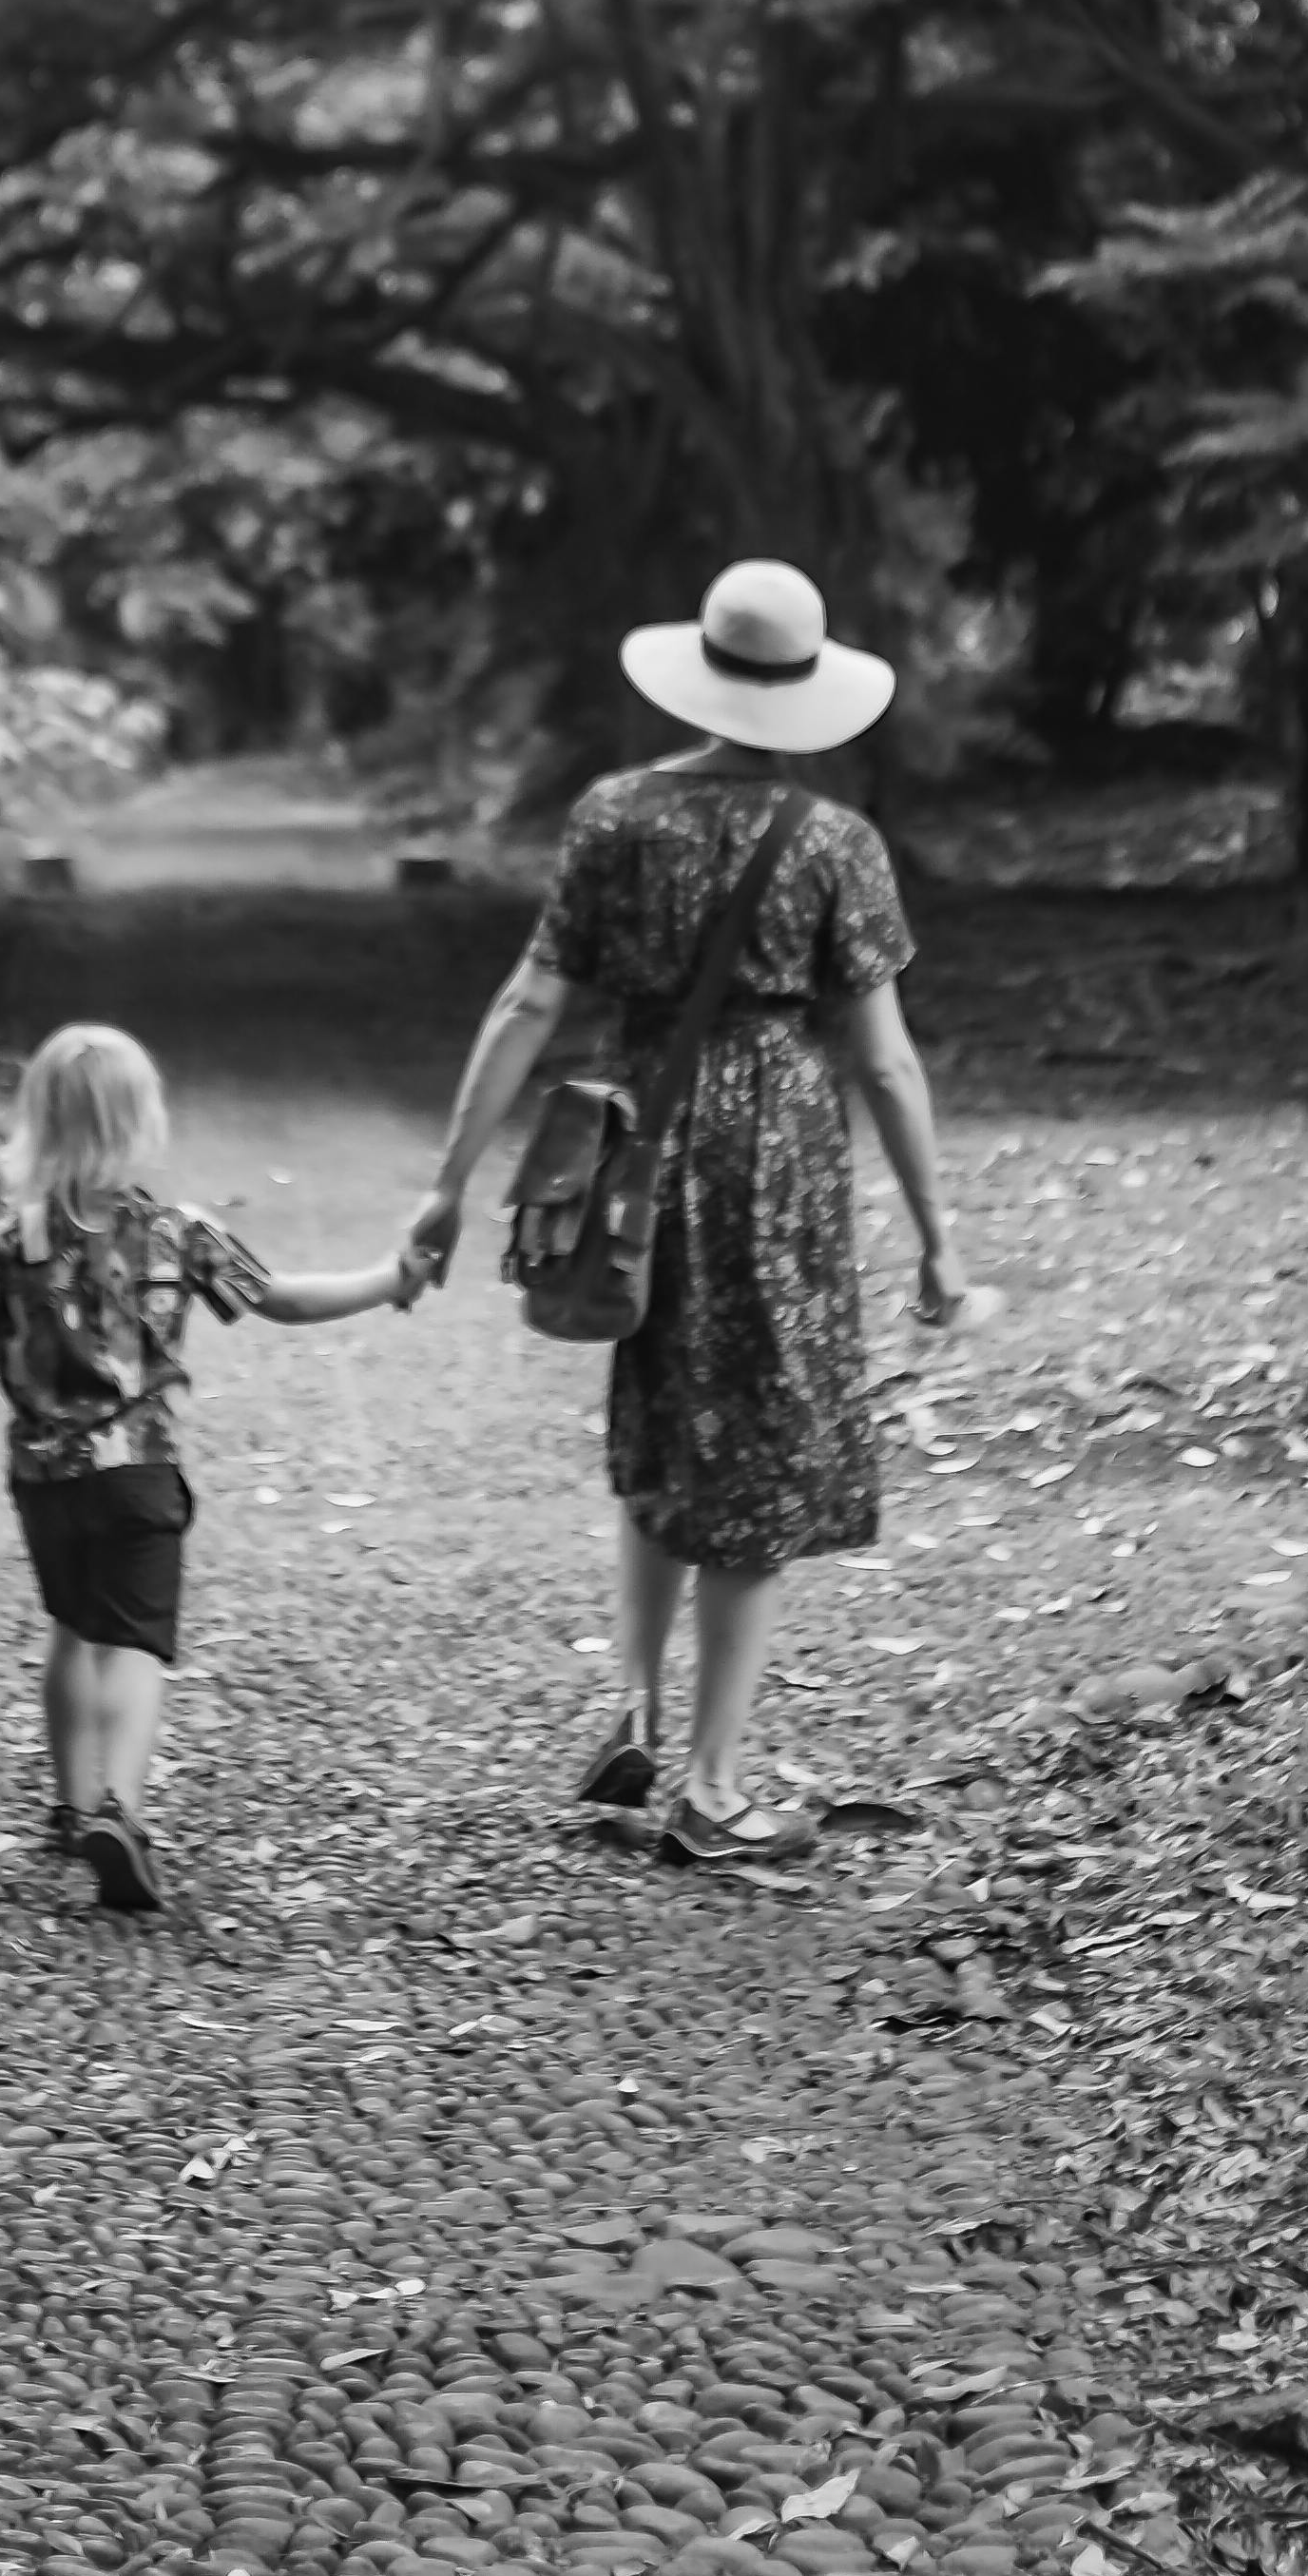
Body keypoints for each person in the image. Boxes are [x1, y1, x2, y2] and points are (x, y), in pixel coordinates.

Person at [409, 558, 972, 1868]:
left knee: (665, 1424)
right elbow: (884, 1060)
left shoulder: (615, 818)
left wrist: (449, 1182)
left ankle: (635, 1707)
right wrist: (941, 1236)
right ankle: (714, 1791)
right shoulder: (837, 845)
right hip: (775, 1155)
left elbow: (529, 1005)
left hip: (645, 1147)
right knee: (762, 1466)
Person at [0, 1019, 429, 1913]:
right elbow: (282, 1300)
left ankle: (70, 1803)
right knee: (132, 1643)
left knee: (71, 1628)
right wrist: (388, 1279)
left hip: (46, 1483)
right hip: (140, 1474)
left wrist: (25, 1323)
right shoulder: (175, 1233)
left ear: (38, 1123)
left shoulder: (12, 1245)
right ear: (141, 1122)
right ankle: (120, 1810)